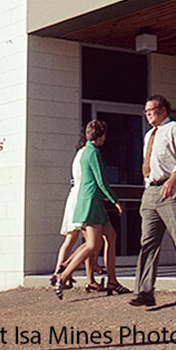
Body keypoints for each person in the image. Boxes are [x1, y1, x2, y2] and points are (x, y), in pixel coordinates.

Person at [129, 94, 176, 307]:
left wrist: (173, 180)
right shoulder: (148, 135)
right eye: (146, 111)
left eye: (151, 110)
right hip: (152, 191)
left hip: (173, 187)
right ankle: (144, 292)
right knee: (147, 242)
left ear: (163, 110)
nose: (148, 114)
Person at [52, 120, 130, 298]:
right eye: (104, 136)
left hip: (90, 201)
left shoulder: (84, 151)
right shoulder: (93, 152)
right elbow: (101, 181)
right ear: (101, 136)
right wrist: (115, 200)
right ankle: (63, 277)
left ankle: (112, 280)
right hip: (91, 202)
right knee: (93, 244)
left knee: (111, 236)